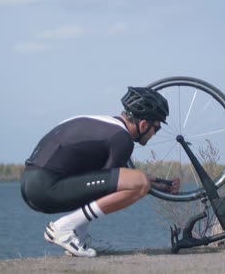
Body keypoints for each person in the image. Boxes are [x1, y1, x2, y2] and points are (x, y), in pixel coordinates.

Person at [20, 86, 180, 257]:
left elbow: (108, 178)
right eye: (157, 128)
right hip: (46, 186)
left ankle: (78, 238)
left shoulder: (108, 127)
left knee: (136, 181)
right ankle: (64, 228)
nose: (155, 133)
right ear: (143, 124)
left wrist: (160, 184)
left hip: (33, 183)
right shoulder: (122, 139)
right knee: (139, 182)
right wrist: (149, 185)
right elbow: (116, 185)